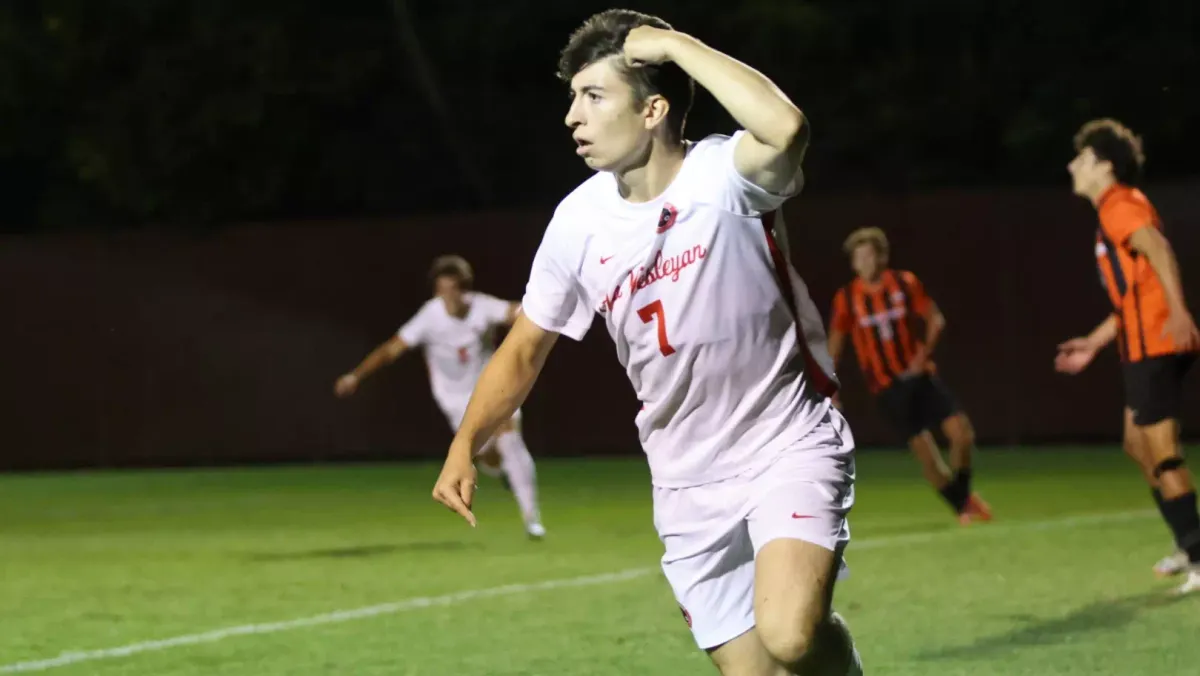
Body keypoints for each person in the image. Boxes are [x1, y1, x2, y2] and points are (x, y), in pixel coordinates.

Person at [431, 10, 862, 675]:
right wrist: (465, 444)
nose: (573, 116)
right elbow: (522, 350)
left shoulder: (726, 177)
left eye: (593, 96)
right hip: (685, 479)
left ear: (654, 109)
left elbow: (787, 127)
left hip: (787, 442)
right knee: (758, 672)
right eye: (572, 98)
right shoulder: (577, 223)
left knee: (790, 635)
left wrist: (674, 45)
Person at [1055, 118, 1200, 595]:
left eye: (1081, 157)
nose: (1072, 165)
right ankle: (1187, 541)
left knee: (1162, 456)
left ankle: (1198, 556)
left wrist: (1179, 313)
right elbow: (1131, 296)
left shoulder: (1119, 205)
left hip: (1156, 345)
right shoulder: (1110, 212)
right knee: (1137, 445)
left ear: (1103, 166)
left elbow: (1157, 249)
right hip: (1140, 345)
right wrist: (1093, 343)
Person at [336, 254, 545, 539]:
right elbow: (391, 350)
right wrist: (355, 376)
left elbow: (517, 312)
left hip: (492, 389)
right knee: (490, 458)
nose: (452, 296)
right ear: (437, 290)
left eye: (457, 288)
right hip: (455, 402)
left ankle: (532, 519)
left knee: (509, 436)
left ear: (465, 288)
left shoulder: (481, 306)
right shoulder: (429, 317)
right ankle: (503, 473)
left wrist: (545, 306)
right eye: (445, 289)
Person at [827, 227, 991, 525]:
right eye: (857, 257)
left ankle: (963, 497)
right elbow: (835, 346)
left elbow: (935, 319)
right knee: (928, 456)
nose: (863, 262)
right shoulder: (847, 298)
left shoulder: (904, 283)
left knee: (961, 434)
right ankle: (963, 507)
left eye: (869, 255)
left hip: (920, 379)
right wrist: (829, 386)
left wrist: (922, 355)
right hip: (887, 390)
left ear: (881, 257)